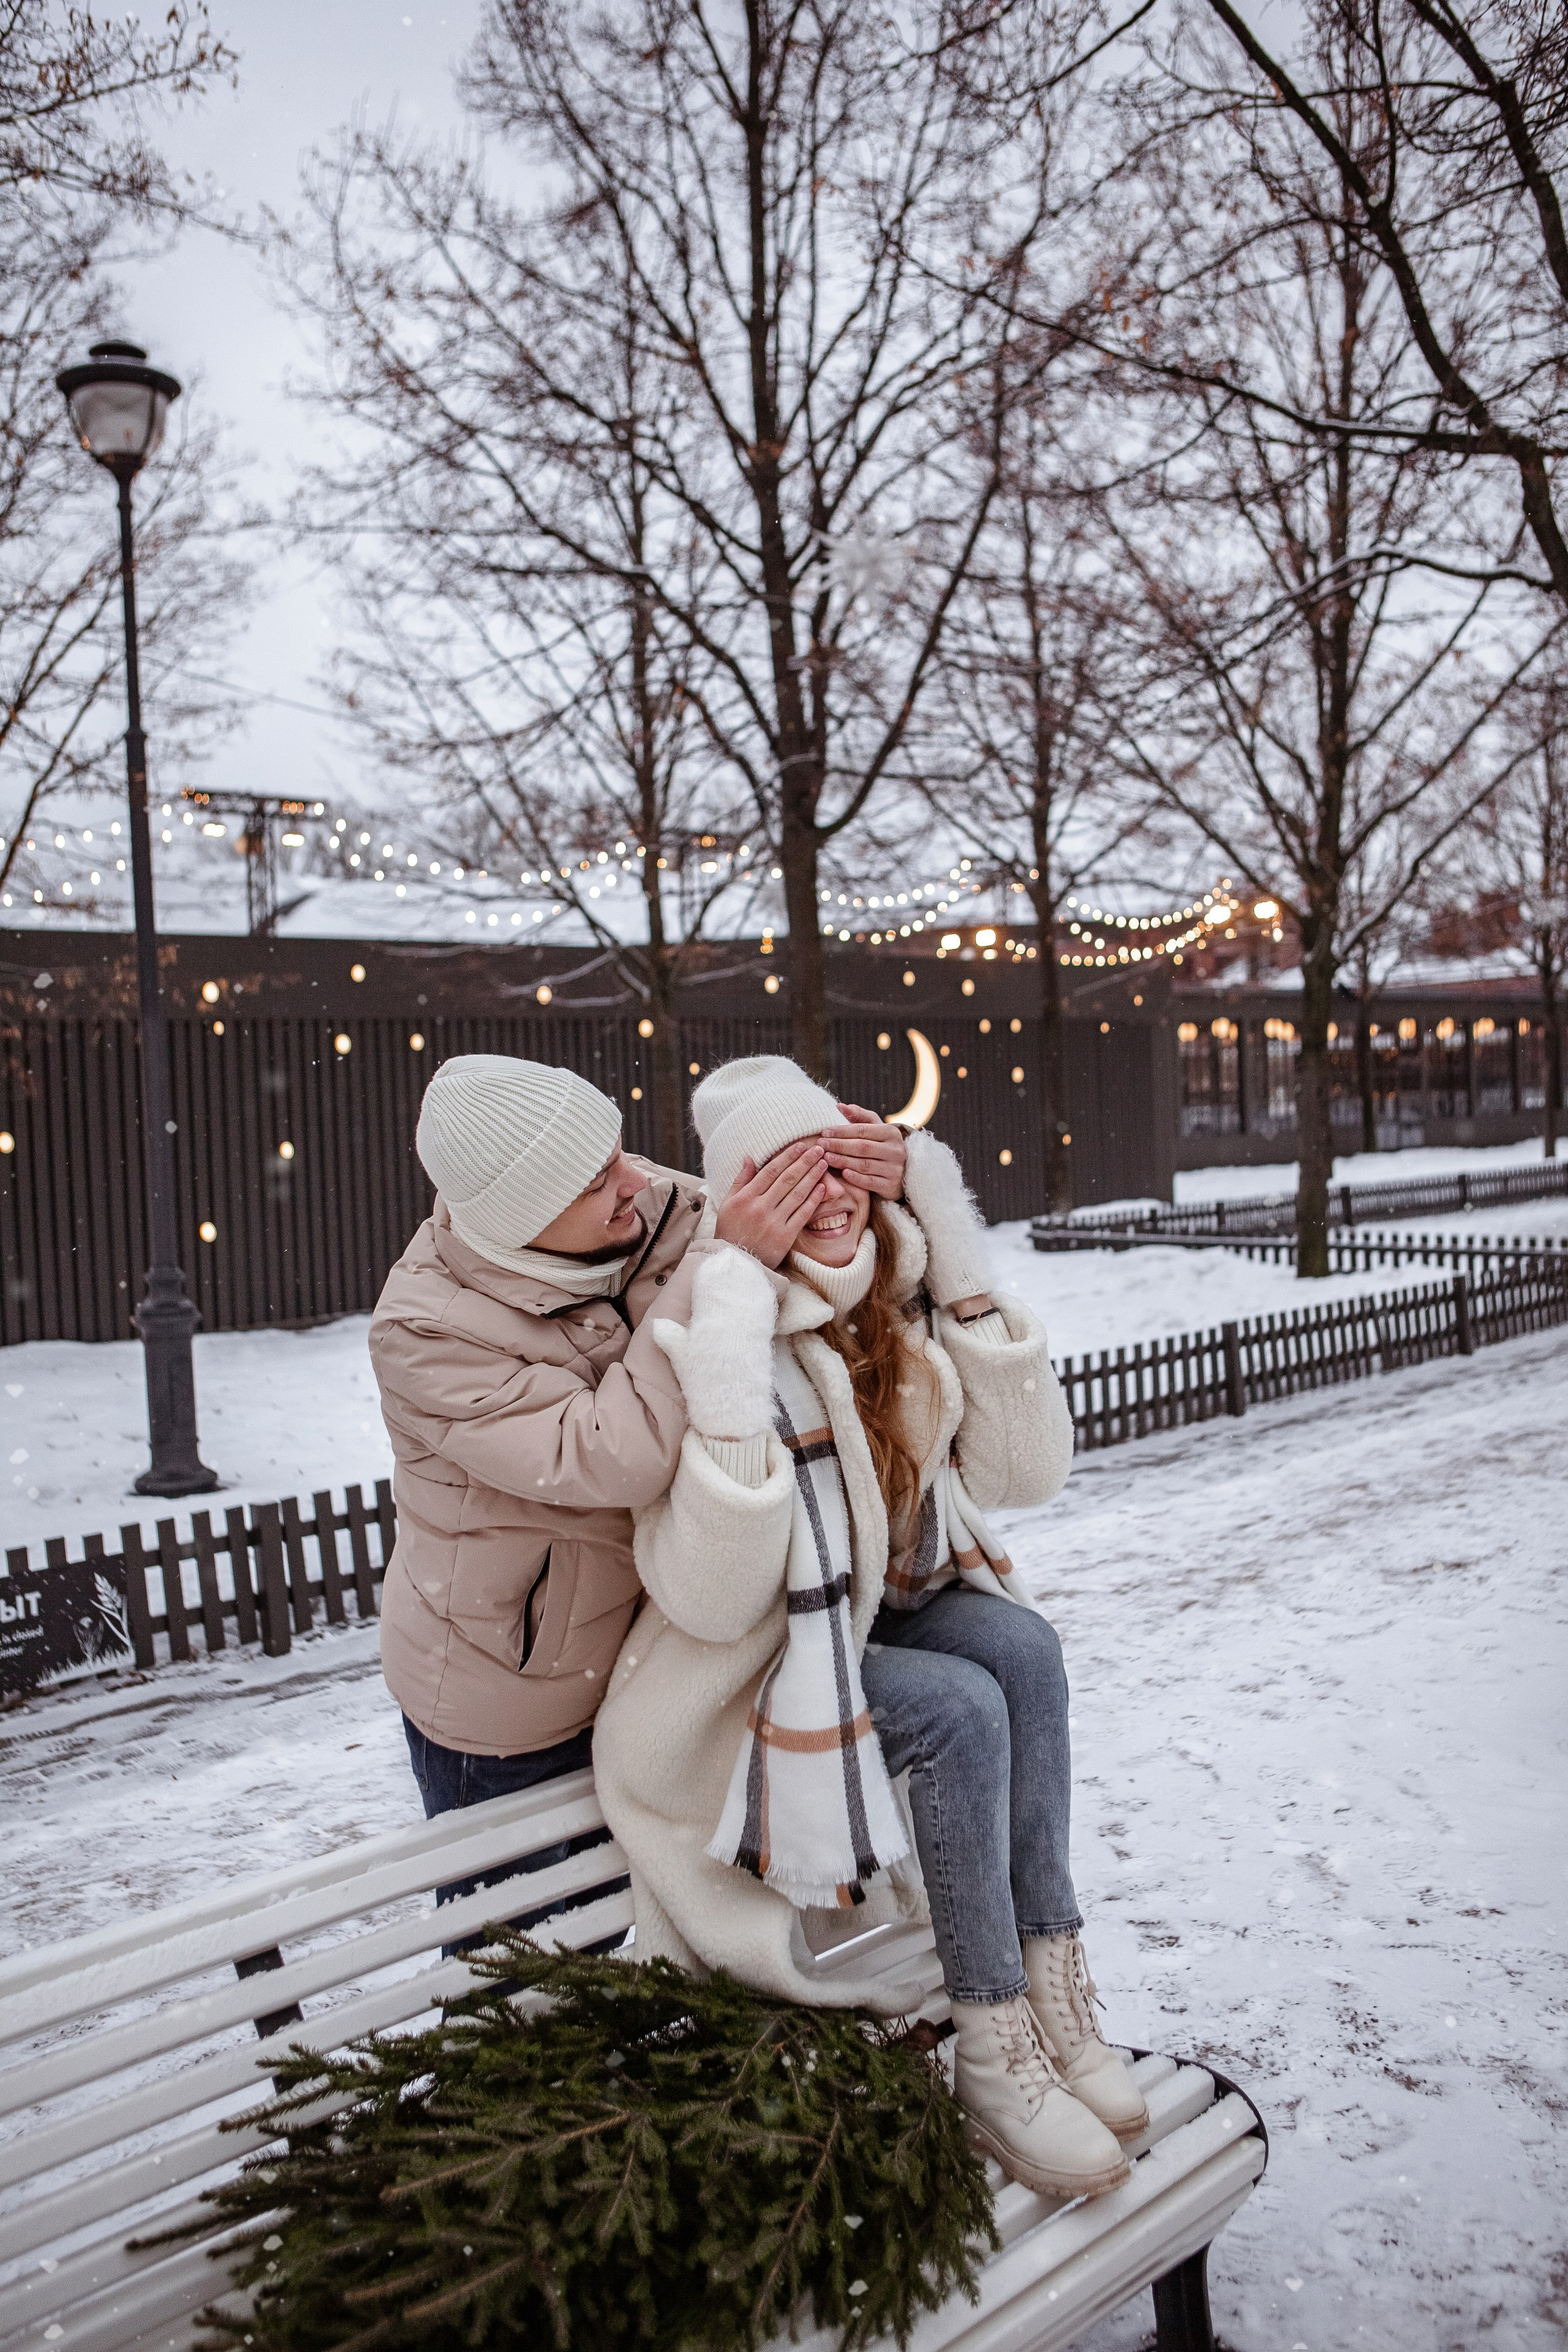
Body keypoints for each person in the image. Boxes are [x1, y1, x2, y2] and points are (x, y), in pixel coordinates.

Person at [593, 1054, 1145, 2201]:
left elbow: (1026, 1472)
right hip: (726, 1695)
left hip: (840, 1645)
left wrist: (951, 1234)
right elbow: (713, 1598)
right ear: (744, 1201)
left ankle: (1049, 1977)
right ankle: (993, 2049)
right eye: (789, 1176)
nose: (829, 1194)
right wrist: (733, 1309)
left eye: (840, 1162)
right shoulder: (700, 1330)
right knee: (956, 1707)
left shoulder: (888, 1306)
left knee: (1020, 1650)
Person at [370, 1050, 905, 1830]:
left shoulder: (648, 1205)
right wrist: (726, 1266)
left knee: (646, 1922)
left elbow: (793, 1240)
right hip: (516, 1707)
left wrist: (882, 1172)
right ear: (526, 1217)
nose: (636, 1180)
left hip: (653, 1662)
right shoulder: (424, 1333)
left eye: (615, 1152)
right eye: (596, 1182)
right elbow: (609, 1455)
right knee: (527, 1941)